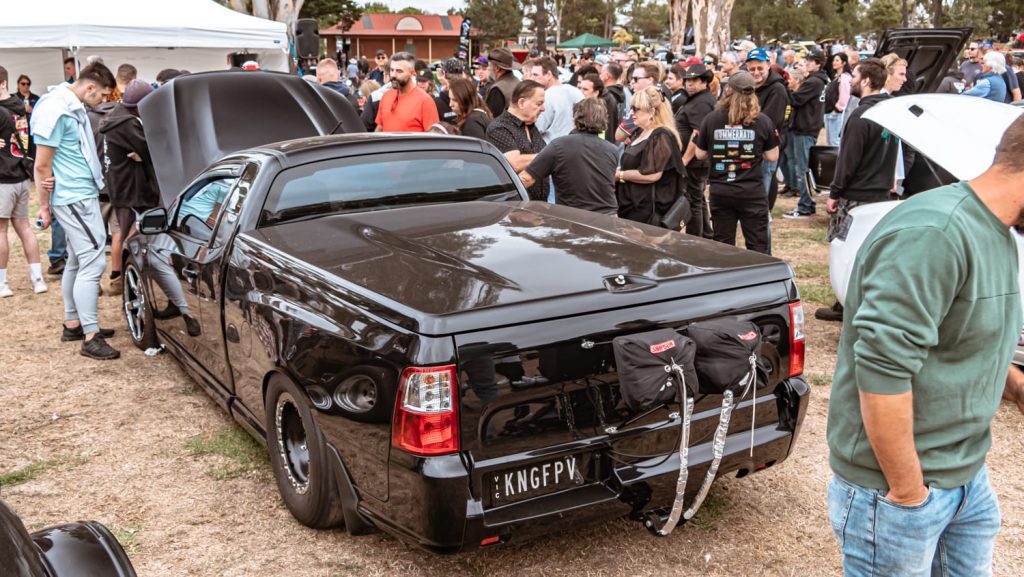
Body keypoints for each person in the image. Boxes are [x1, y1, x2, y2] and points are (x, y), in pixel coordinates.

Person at [826, 112, 1024, 577]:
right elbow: (883, 371)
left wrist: (1015, 385)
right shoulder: (934, 234)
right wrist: (908, 492)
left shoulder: (997, 231)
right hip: (901, 491)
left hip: (965, 477)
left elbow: (959, 339)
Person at [31, 62, 120, 360]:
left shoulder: (68, 105)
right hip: (74, 197)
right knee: (93, 262)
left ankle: (74, 323)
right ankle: (90, 336)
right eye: (103, 95)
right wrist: (44, 206)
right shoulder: (56, 109)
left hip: (78, 193)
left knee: (76, 261)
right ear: (90, 87)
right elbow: (42, 164)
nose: (104, 101)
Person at [817, 59, 901, 323]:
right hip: (881, 193)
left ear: (866, 80)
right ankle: (856, 301)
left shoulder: (861, 116)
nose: (850, 80)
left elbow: (848, 159)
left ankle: (845, 303)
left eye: (854, 75)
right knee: (871, 251)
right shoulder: (889, 111)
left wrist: (835, 193)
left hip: (856, 195)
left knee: (847, 251)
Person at [692, 71, 780, 254]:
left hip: (721, 190)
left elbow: (699, 154)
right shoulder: (763, 121)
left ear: (728, 90)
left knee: (723, 247)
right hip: (752, 192)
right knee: (757, 247)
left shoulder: (711, 119)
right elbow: (772, 156)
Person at [96, 79, 160, 294]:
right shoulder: (127, 123)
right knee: (126, 235)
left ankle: (119, 278)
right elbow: (150, 150)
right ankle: (121, 280)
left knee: (121, 233)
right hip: (131, 188)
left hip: (119, 185)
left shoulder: (115, 117)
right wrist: (142, 158)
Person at [519, 98, 618, 215]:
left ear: (575, 119)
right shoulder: (612, 150)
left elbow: (526, 179)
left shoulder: (559, 145)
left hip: (573, 218)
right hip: (608, 218)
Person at [0, 65, 46, 297]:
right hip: (21, 175)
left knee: (1, 231)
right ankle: (37, 279)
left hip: (3, 178)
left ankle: (2, 284)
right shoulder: (20, 106)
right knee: (25, 228)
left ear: (2, 84)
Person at [615, 86, 686, 228]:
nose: (631, 113)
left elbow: (652, 175)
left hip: (649, 211)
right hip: (634, 204)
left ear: (652, 112)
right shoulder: (642, 132)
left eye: (636, 109)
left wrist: (620, 175)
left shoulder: (661, 135)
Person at [782, 51, 829, 219]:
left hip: (805, 128)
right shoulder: (819, 80)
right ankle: (807, 203)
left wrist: (785, 88)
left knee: (803, 169)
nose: (808, 63)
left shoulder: (814, 81)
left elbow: (796, 100)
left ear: (818, 64)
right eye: (807, 60)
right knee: (804, 168)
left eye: (811, 61)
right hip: (807, 127)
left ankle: (805, 206)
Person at [486, 80, 548, 200]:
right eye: (539, 103)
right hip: (516, 205)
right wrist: (549, 155)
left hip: (540, 204)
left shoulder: (530, 126)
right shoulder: (499, 128)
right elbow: (514, 164)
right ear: (521, 103)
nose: (543, 109)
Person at [676, 63, 717, 237]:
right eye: (687, 80)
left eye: (694, 80)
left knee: (693, 200)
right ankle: (706, 234)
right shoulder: (699, 99)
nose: (689, 83)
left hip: (694, 161)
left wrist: (685, 160)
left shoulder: (701, 102)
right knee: (697, 199)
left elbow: (697, 133)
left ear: (704, 82)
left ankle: (695, 239)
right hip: (696, 161)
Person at [747, 48, 789, 208]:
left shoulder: (777, 89)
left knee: (764, 187)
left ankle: (763, 216)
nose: (756, 72)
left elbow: (768, 123)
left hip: (767, 147)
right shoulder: (749, 86)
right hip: (751, 145)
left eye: (760, 68)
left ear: (768, 65)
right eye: (752, 69)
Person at [374, 52, 439, 133]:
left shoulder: (425, 101)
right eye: (392, 70)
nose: (393, 75)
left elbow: (433, 136)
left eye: (399, 71)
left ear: (412, 73)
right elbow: (380, 128)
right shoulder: (386, 96)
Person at [528, 57, 584, 145]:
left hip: (553, 147)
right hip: (577, 145)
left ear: (549, 75)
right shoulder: (576, 91)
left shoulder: (545, 97)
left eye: (535, 75)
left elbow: (538, 128)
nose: (531, 78)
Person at [616, 61, 660, 144]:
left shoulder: (645, 101)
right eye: (632, 78)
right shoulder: (661, 95)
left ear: (650, 80)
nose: (632, 82)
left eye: (636, 79)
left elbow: (618, 135)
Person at [823, 52, 853, 146]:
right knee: (830, 141)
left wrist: (837, 110)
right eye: (833, 60)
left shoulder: (845, 77)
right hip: (829, 112)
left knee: (835, 141)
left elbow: (845, 96)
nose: (834, 62)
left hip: (836, 114)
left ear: (844, 63)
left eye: (837, 60)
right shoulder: (837, 76)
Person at [483, 47, 521, 117]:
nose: (488, 68)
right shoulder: (518, 82)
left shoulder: (497, 89)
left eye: (489, 65)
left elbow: (492, 118)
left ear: (497, 68)